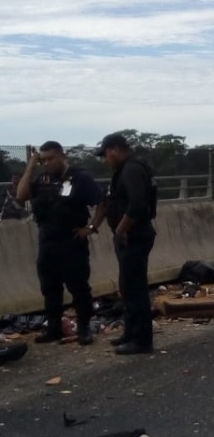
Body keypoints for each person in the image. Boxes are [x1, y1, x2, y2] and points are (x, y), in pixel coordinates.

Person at [15, 141, 105, 345]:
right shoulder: (42, 178)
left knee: (79, 287)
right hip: (47, 240)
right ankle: (54, 328)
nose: (46, 163)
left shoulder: (80, 178)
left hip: (71, 241)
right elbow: (21, 196)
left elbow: (102, 203)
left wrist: (91, 228)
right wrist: (31, 166)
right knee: (50, 287)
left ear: (62, 156)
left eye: (50, 158)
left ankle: (83, 328)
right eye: (43, 160)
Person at [96, 133, 157, 355]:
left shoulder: (131, 169)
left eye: (106, 155)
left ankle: (142, 340)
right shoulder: (127, 169)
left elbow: (137, 205)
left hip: (134, 236)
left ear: (114, 149)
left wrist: (121, 229)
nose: (106, 160)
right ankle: (131, 333)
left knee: (135, 288)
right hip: (130, 236)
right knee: (127, 287)